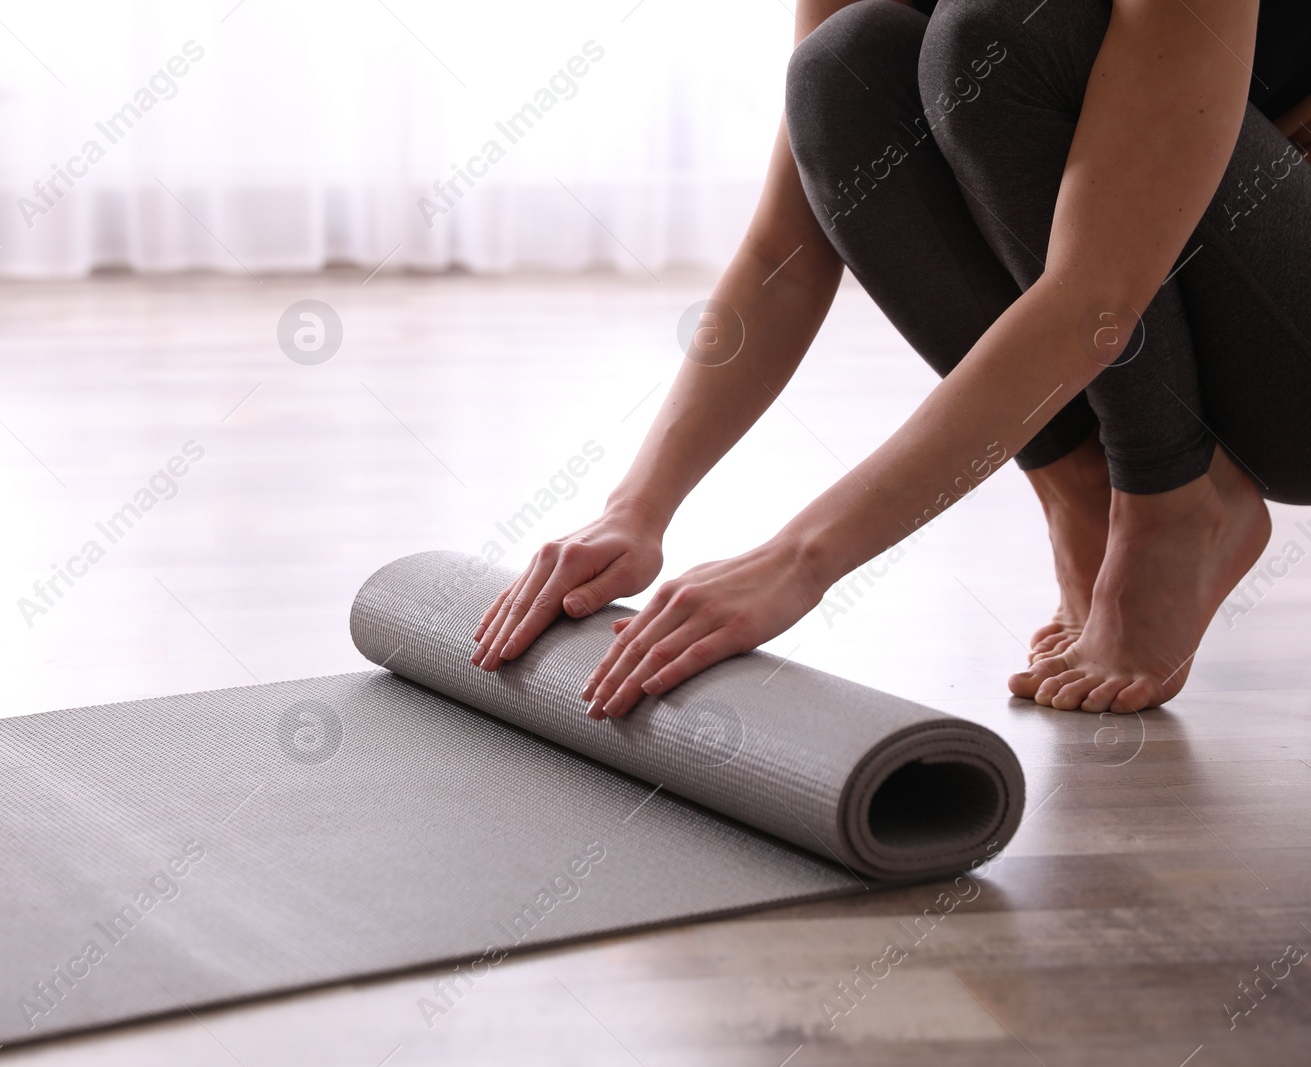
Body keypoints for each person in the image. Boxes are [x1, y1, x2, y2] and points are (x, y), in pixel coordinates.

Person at [471, 0, 1311, 717]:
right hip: (1200, 308)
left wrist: (799, 560)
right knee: (842, 73)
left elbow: (1095, 299)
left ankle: (1172, 505)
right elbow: (782, 256)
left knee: (1003, 33)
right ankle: (1084, 491)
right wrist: (638, 508)